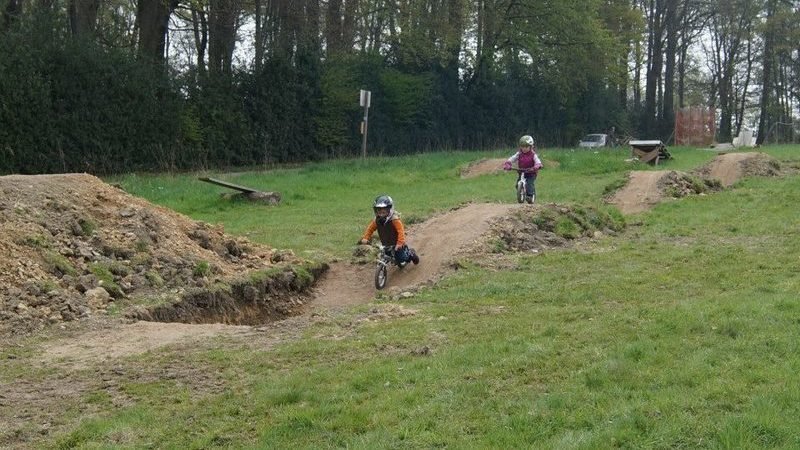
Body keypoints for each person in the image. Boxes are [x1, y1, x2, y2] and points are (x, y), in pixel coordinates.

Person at [359, 195, 420, 266]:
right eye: (379, 210)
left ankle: (410, 253)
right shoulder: (376, 221)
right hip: (386, 243)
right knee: (386, 255)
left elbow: (401, 231)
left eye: (383, 211)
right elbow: (370, 229)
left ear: (389, 209)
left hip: (397, 243)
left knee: (402, 258)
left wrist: (400, 243)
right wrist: (366, 237)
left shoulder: (394, 220)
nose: (381, 214)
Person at [503, 134, 543, 204]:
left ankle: (530, 196)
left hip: (531, 172)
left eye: (526, 147)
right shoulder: (519, 154)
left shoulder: (533, 155)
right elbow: (512, 158)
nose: (524, 148)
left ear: (531, 147)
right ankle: (521, 193)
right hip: (521, 172)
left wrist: (537, 165)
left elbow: (537, 161)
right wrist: (508, 163)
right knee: (517, 185)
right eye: (522, 146)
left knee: (529, 184)